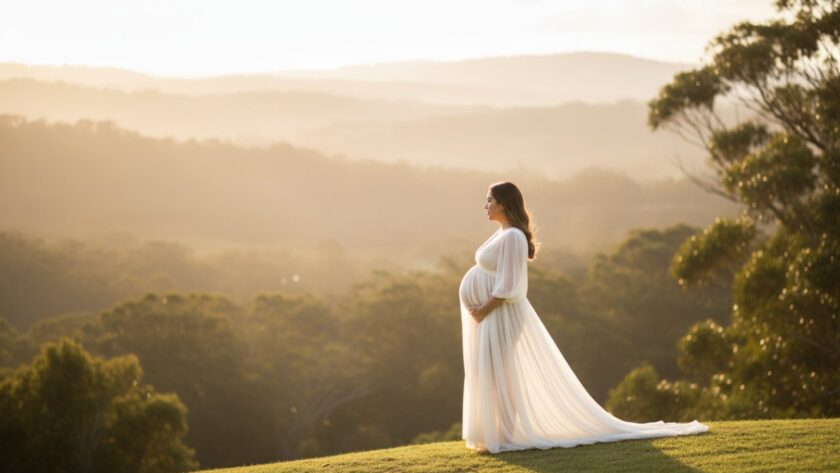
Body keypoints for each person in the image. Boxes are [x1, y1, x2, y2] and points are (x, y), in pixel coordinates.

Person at [458, 181, 709, 454]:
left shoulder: (514, 237)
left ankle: (505, 436)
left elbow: (509, 286)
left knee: (501, 374)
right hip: (491, 314)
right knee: (492, 372)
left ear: (504, 203)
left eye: (489, 201)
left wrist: (483, 309)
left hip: (501, 314)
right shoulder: (503, 233)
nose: (485, 206)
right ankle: (497, 433)